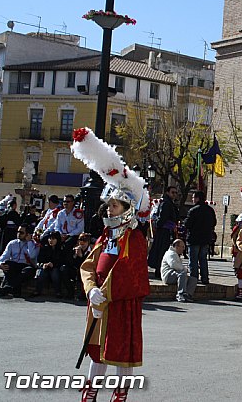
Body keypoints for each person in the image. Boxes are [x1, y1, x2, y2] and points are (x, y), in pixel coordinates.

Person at [72, 126, 150, 402]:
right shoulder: (107, 234)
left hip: (120, 303)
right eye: (108, 206)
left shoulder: (136, 238)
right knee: (96, 348)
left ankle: (120, 394)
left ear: (127, 209)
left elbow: (135, 274)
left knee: (120, 353)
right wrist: (92, 289)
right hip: (99, 302)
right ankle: (90, 390)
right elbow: (89, 265)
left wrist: (109, 292)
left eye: (114, 206)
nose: (108, 210)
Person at [0, 225, 39, 298]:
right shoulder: (12, 243)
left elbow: (32, 256)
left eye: (21, 232)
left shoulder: (33, 244)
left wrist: (29, 242)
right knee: (7, 264)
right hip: (14, 265)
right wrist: (0, 264)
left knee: (28, 271)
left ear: (27, 234)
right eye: (18, 232)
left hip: (26, 266)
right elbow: (4, 255)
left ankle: (8, 287)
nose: (19, 234)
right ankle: (14, 289)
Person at [185, 190, 216, 285]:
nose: (192, 199)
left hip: (194, 238)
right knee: (203, 259)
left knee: (193, 260)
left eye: (194, 197)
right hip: (206, 238)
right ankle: (205, 278)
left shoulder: (193, 210)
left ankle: (194, 278)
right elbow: (214, 223)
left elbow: (187, 224)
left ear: (198, 198)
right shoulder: (210, 210)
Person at [148, 186, 179, 277]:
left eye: (176, 193)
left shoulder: (170, 203)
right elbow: (162, 217)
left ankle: (162, 270)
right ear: (167, 192)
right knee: (162, 251)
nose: (174, 195)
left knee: (164, 251)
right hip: (164, 232)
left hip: (167, 230)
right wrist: (159, 225)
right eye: (173, 192)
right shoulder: (165, 203)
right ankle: (159, 270)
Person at [32, 231, 65, 298]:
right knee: (41, 272)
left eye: (53, 239)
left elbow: (63, 261)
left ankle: (58, 292)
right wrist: (43, 264)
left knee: (55, 273)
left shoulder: (61, 248)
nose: (51, 240)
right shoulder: (45, 248)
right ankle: (37, 291)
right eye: (49, 238)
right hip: (45, 267)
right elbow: (39, 259)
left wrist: (54, 264)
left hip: (56, 268)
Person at [61, 232, 93, 300]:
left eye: (84, 241)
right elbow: (69, 263)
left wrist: (81, 257)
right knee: (64, 270)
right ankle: (70, 291)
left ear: (88, 242)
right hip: (75, 270)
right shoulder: (74, 249)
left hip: (86, 271)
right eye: (80, 240)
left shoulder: (91, 251)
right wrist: (75, 256)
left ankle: (83, 294)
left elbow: (88, 264)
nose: (82, 242)